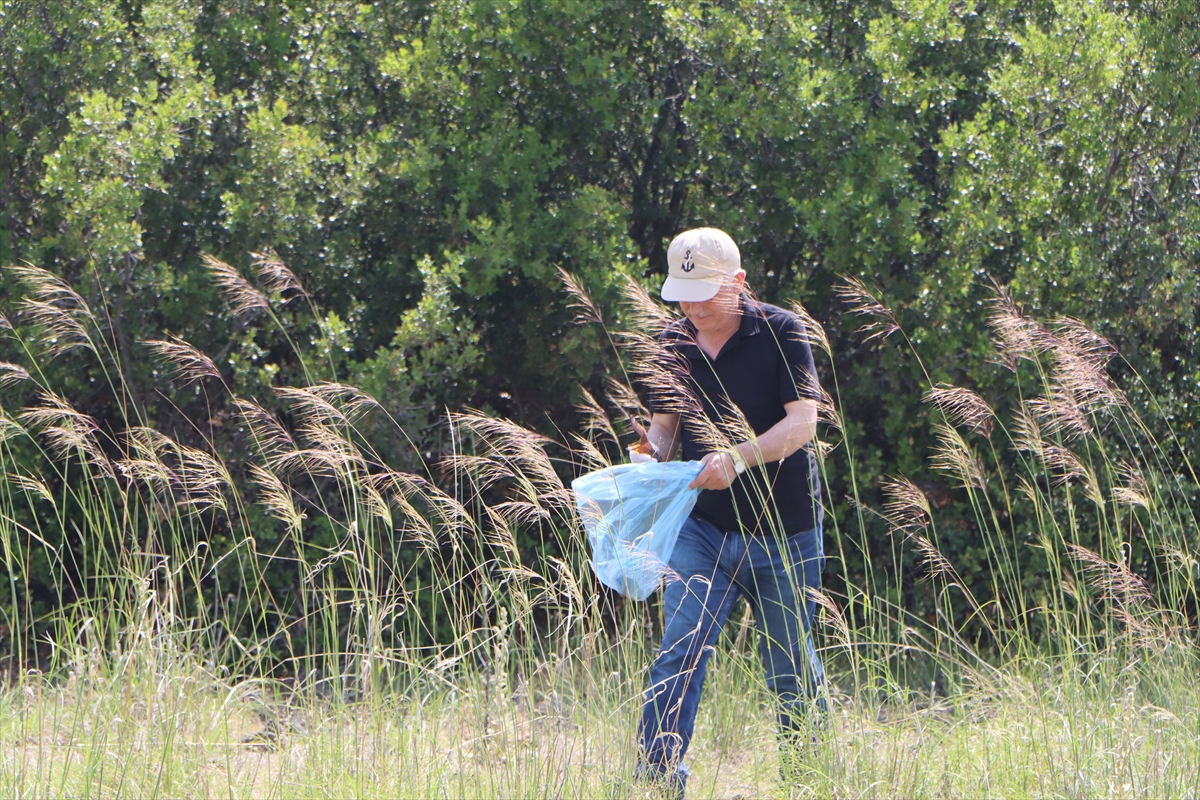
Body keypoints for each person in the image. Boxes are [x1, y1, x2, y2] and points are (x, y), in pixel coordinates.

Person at [635, 228, 827, 797]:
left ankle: (807, 783)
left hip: (786, 533)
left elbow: (803, 423)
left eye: (703, 292)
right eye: (681, 294)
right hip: (703, 530)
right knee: (680, 652)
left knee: (791, 669)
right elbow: (664, 429)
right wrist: (643, 464)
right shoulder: (674, 341)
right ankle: (657, 784)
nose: (691, 306)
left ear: (737, 283)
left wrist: (739, 458)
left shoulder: (782, 332)